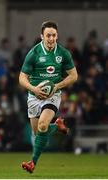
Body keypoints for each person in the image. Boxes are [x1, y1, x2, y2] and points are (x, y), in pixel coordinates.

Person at [19, 21, 78, 173]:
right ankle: (57, 126)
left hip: (53, 95)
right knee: (37, 133)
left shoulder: (63, 53)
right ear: (42, 36)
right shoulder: (34, 53)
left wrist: (56, 86)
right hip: (34, 95)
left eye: (53, 35)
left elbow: (74, 76)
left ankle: (32, 163)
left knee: (43, 126)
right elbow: (21, 77)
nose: (51, 38)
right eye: (48, 35)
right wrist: (34, 89)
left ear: (57, 36)